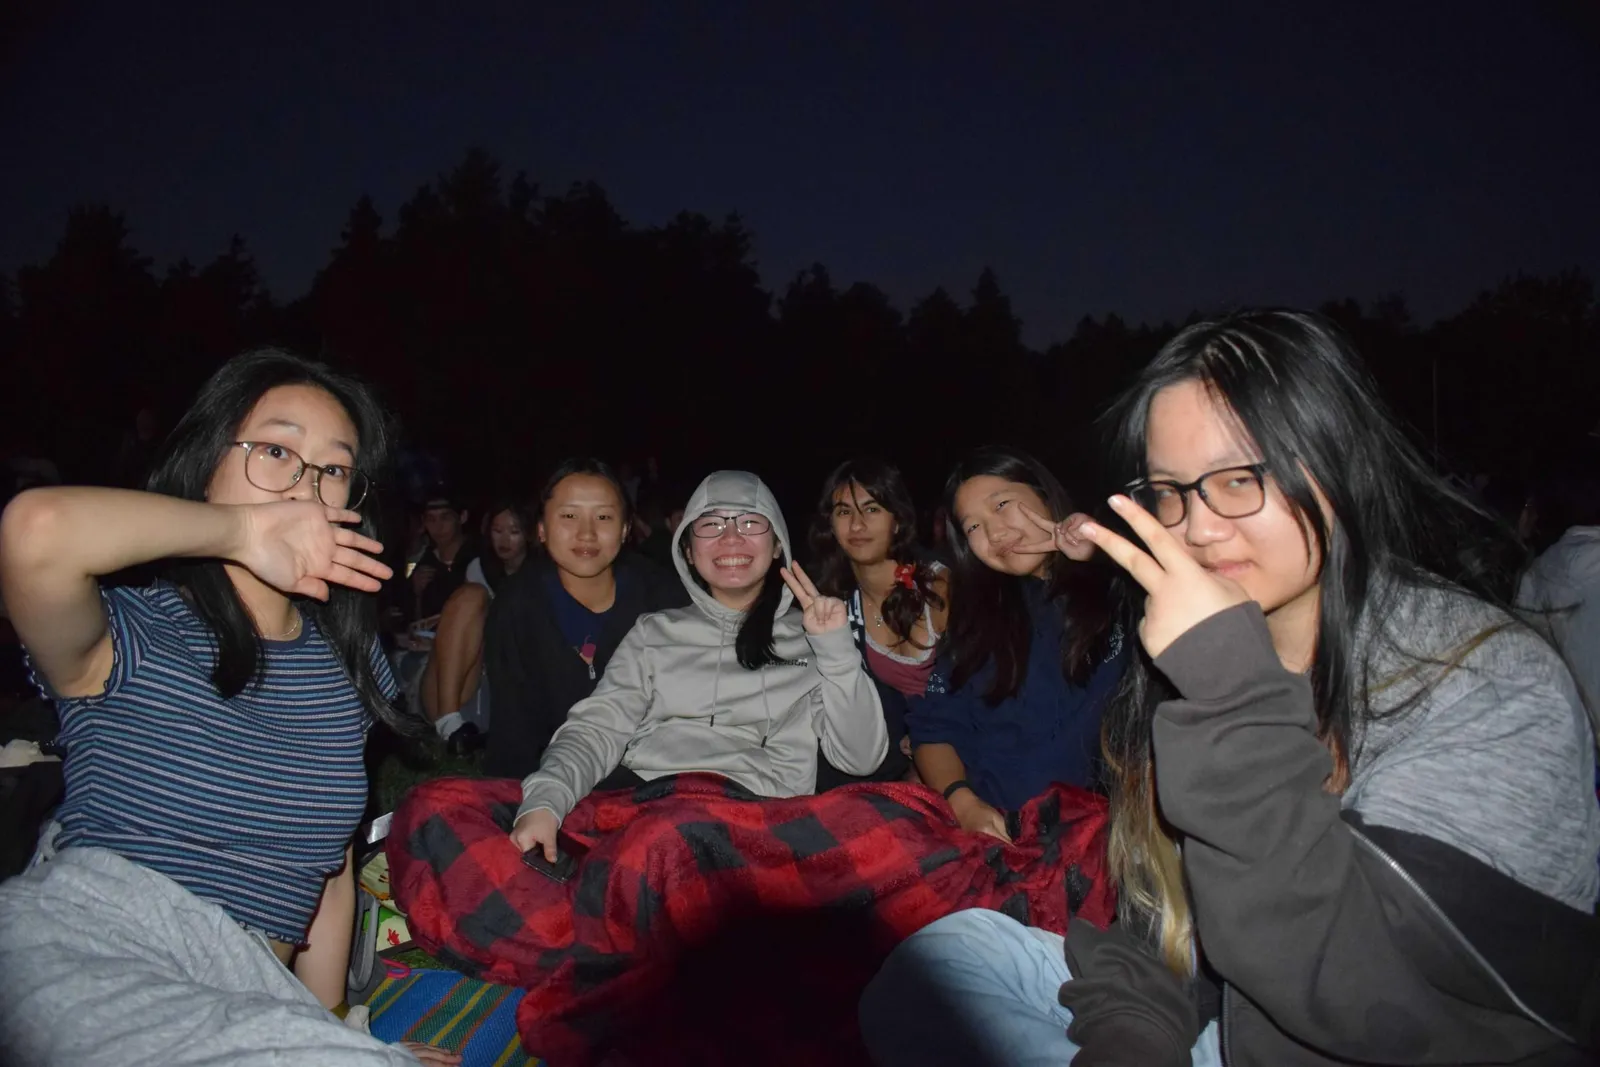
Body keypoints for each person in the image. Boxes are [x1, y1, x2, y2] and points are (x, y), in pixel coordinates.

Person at [861, 310, 1600, 1066]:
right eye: (1170, 491)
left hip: (1355, 1033)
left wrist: (1209, 669)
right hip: (1213, 1007)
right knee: (930, 971)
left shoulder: (1479, 678)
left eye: (1240, 478)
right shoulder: (1133, 652)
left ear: (1338, 463)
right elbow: (1163, 929)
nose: (1199, 526)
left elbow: (1368, 998)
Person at [0, 349, 458, 1065]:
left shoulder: (346, 662)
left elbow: (327, 862)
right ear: (207, 462)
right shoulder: (133, 632)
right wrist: (241, 531)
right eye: (276, 451)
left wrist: (329, 1023)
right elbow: (35, 531)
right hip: (100, 938)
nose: (307, 488)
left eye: (334, 468)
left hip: (249, 989)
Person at [509, 469, 888, 859]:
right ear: (688, 551)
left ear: (777, 544)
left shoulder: (813, 637)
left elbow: (860, 758)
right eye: (711, 524)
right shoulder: (654, 633)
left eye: (750, 522)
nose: (731, 537)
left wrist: (837, 652)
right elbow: (597, 728)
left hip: (763, 822)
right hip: (652, 808)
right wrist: (547, 799)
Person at [907, 447, 1123, 841]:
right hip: (997, 832)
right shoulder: (976, 621)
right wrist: (963, 803)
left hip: (1104, 833)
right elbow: (934, 728)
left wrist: (1101, 551)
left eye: (1002, 505)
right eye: (973, 526)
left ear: (1044, 494)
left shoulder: (1120, 588)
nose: (994, 534)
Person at [481, 459, 685, 780]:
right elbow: (511, 728)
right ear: (541, 529)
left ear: (625, 529)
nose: (587, 533)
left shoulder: (665, 598)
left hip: (651, 780)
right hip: (555, 781)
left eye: (603, 517)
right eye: (569, 516)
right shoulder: (517, 606)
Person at [808, 458, 946, 787]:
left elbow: (984, 683)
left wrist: (930, 740)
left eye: (871, 509)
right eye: (844, 512)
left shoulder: (938, 588)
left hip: (971, 741)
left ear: (897, 521)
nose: (857, 525)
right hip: (899, 761)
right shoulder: (836, 606)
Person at [419, 499, 533, 755]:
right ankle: (449, 723)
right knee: (472, 595)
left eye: (514, 531)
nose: (504, 540)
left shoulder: (544, 575)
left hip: (509, 682)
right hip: (464, 682)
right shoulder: (479, 569)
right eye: (497, 530)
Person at [409, 490, 477, 624]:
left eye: (445, 518)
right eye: (431, 519)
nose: (438, 527)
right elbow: (415, 622)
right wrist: (416, 593)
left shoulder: (480, 558)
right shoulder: (425, 564)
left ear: (462, 517)